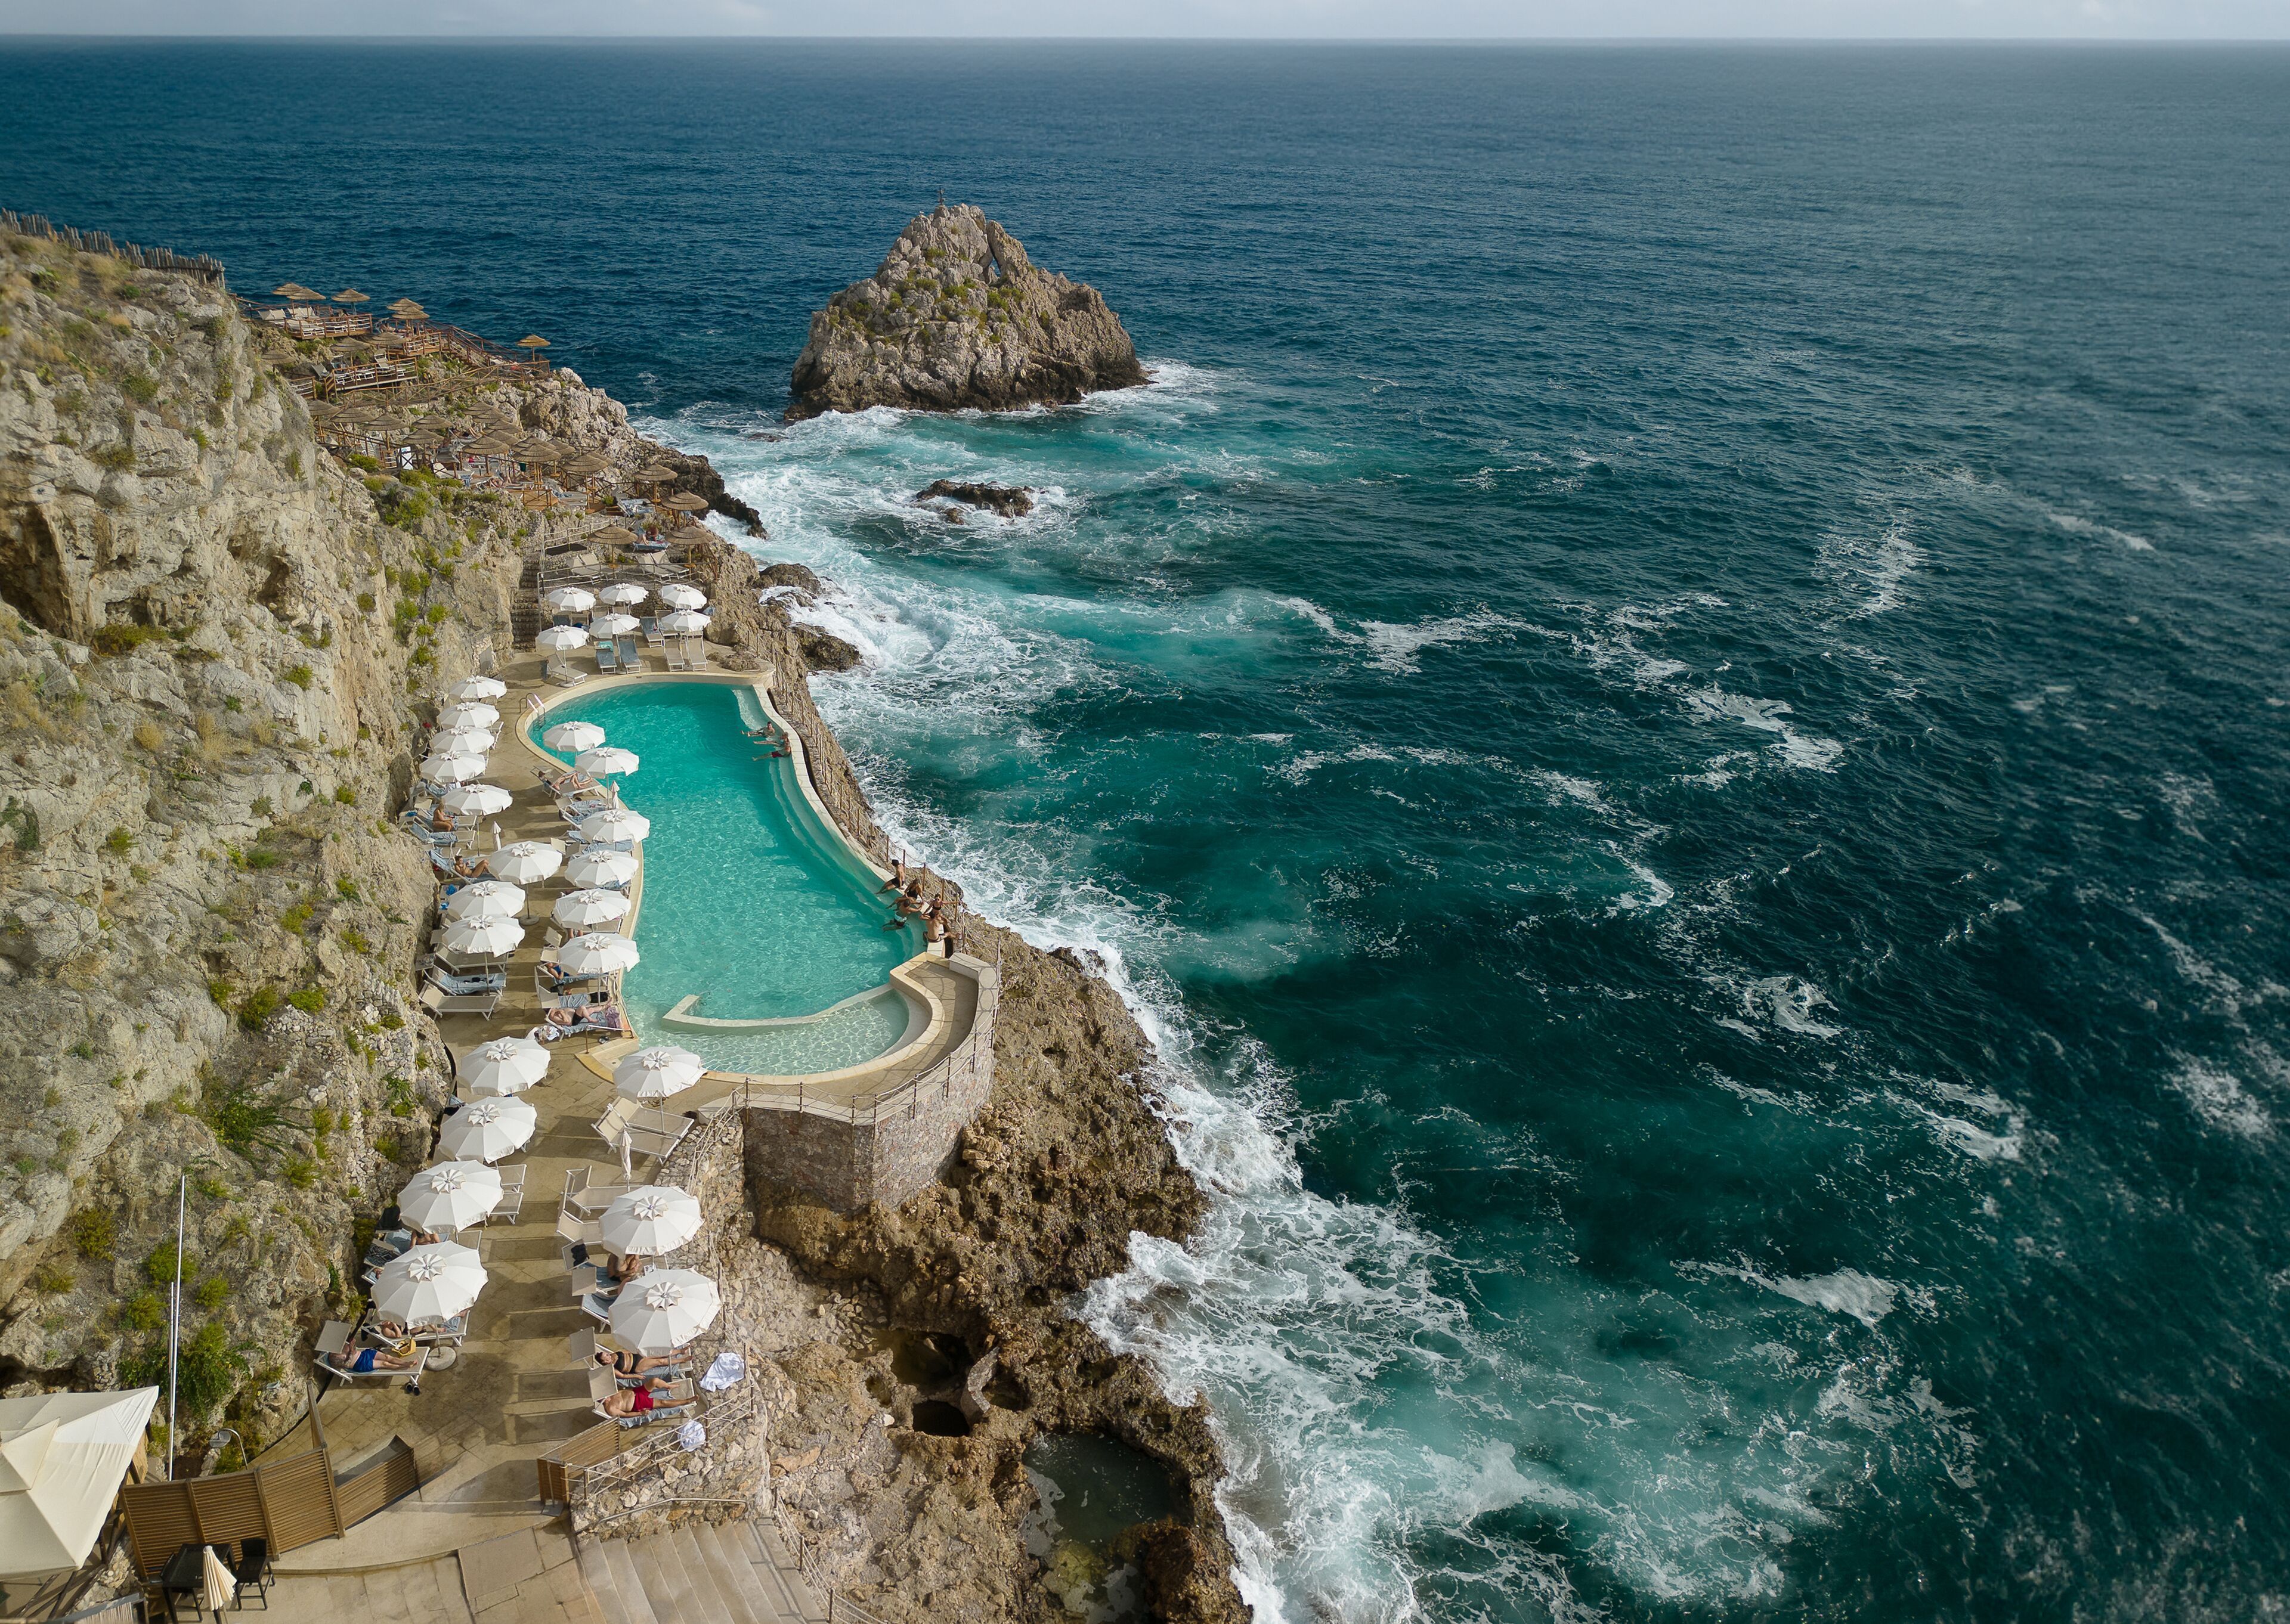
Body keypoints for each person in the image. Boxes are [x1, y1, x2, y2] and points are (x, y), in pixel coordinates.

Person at [601, 1377, 694, 1420]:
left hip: (636, 1392)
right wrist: (641, 1413)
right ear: (603, 1401)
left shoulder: (611, 1394)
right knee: (663, 1402)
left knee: (655, 1381)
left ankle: (668, 1386)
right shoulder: (611, 1409)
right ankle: (687, 1401)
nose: (608, 1396)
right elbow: (625, 1414)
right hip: (638, 1403)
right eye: (606, 1397)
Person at [595, 1346, 684, 1377]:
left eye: (607, 1354)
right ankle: (682, 1360)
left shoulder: (613, 1355)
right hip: (636, 1366)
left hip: (636, 1356)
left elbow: (628, 1351)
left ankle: (681, 1351)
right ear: (605, 1362)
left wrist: (639, 1350)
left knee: (659, 1353)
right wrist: (636, 1376)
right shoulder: (612, 1369)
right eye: (606, 1356)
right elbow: (623, 1376)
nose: (608, 1354)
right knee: (659, 1361)